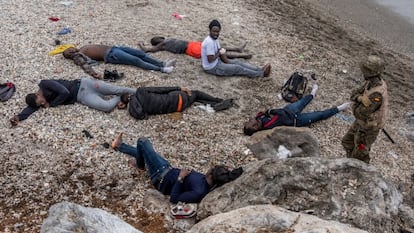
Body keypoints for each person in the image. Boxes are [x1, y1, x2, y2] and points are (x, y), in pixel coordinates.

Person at [110, 133, 243, 204]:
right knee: (146, 152)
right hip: (167, 168)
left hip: (160, 176)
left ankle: (140, 166)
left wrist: (180, 178)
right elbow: (230, 175)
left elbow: (174, 198)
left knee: (142, 141)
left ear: (209, 174)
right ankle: (120, 146)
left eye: (211, 168)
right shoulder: (209, 182)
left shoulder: (199, 192)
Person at [9, 77, 136, 126]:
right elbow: (31, 108)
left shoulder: (45, 84)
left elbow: (65, 92)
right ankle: (121, 98)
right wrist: (19, 117)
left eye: (40, 101)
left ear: (37, 93)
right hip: (81, 97)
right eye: (40, 105)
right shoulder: (40, 101)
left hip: (85, 84)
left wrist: (52, 104)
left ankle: (138, 91)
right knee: (106, 107)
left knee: (116, 89)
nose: (42, 104)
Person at [243, 84, 351, 135]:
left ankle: (312, 94)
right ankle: (340, 108)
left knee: (303, 101)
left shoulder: (258, 118)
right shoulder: (267, 125)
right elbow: (278, 114)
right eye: (252, 126)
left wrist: (268, 112)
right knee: (319, 115)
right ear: (256, 129)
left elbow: (262, 112)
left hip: (289, 110)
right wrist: (270, 112)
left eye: (249, 122)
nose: (251, 122)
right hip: (296, 120)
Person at [341, 55, 388, 163]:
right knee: (347, 142)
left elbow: (359, 113)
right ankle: (350, 162)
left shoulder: (377, 94)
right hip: (362, 123)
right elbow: (353, 94)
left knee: (360, 154)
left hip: (368, 129)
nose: (362, 73)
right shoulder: (371, 82)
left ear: (370, 72)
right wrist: (360, 98)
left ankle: (359, 169)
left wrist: (355, 103)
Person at [201, 19, 271, 78]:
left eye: (217, 31)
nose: (216, 33)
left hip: (217, 62)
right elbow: (210, 60)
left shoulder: (214, 39)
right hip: (212, 68)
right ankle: (261, 74)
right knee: (237, 68)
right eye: (214, 31)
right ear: (210, 30)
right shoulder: (209, 42)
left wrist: (226, 60)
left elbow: (220, 50)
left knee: (238, 62)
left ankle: (259, 69)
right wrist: (219, 53)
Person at [117, 86, 234, 120]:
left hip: (176, 108)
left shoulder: (133, 109)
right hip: (177, 97)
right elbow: (161, 89)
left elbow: (141, 116)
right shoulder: (141, 90)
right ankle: (217, 101)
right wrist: (179, 88)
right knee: (196, 94)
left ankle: (212, 105)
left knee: (193, 100)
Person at [62, 44, 177, 78]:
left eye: (69, 49)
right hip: (111, 55)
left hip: (114, 48)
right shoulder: (78, 56)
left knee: (140, 53)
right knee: (135, 60)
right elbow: (85, 66)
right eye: (68, 53)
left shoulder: (81, 47)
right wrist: (93, 73)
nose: (71, 51)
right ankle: (162, 69)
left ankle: (161, 63)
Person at [139, 36, 253, 59]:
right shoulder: (162, 44)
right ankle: (242, 54)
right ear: (158, 39)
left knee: (217, 47)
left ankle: (238, 49)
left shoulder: (165, 43)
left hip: (192, 45)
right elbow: (147, 50)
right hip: (191, 48)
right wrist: (141, 44)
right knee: (215, 52)